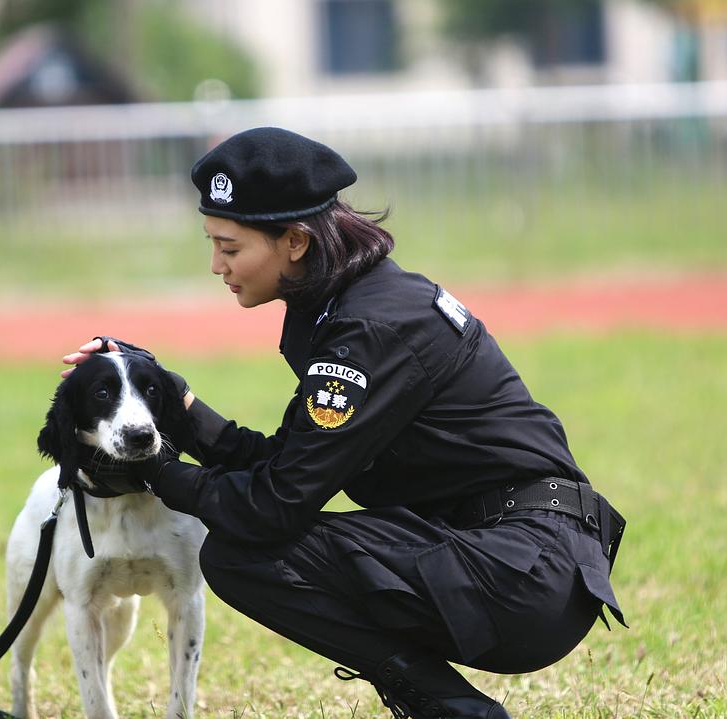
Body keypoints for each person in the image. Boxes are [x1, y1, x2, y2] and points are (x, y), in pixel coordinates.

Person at [61, 127, 626, 719]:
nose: (215, 265)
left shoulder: (369, 332)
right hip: (517, 560)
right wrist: (162, 389)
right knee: (248, 543)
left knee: (240, 555)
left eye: (230, 248)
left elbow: (272, 505)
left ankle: (453, 710)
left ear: (296, 242)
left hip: (523, 576)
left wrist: (155, 469)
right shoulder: (353, 304)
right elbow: (287, 465)